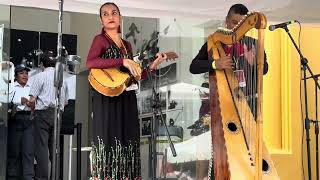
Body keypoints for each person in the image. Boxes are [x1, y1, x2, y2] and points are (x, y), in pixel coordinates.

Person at [86, 2, 167, 179]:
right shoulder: (100, 40)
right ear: (101, 20)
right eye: (105, 14)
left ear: (120, 17)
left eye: (114, 13)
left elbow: (132, 76)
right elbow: (91, 62)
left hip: (126, 98)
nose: (110, 16)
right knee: (109, 139)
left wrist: (152, 66)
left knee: (128, 139)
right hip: (107, 99)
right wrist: (122, 61)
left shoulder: (126, 45)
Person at [190, 3, 268, 116]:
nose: (235, 27)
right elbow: (194, 67)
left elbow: (265, 70)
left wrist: (254, 63)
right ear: (227, 20)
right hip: (222, 103)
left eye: (240, 25)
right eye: (234, 23)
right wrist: (215, 64)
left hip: (249, 104)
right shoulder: (214, 43)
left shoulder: (254, 44)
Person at [29, 51, 67, 180]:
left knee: (41, 149)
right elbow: (65, 102)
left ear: (42, 64)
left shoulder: (40, 76)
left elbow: (32, 100)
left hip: (43, 113)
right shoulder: (62, 79)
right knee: (55, 149)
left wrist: (32, 110)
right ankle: (56, 177)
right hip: (58, 114)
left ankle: (42, 178)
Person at [7, 64, 34, 180]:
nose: (24, 75)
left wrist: (33, 104)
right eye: (21, 73)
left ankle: (28, 177)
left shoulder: (32, 87)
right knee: (14, 152)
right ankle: (12, 177)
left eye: (26, 73)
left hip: (29, 120)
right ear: (16, 75)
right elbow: (6, 103)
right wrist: (20, 101)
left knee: (28, 152)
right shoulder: (11, 87)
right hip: (15, 119)